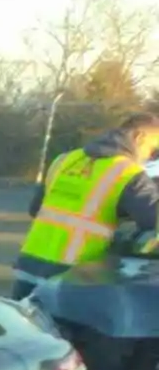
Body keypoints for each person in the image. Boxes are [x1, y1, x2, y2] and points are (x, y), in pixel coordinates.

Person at [13, 112, 159, 299]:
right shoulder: (128, 173)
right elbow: (154, 220)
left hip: (30, 265)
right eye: (153, 150)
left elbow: (36, 209)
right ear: (140, 138)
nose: (150, 157)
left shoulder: (64, 160)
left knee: (23, 325)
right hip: (74, 276)